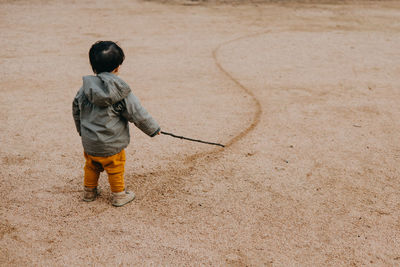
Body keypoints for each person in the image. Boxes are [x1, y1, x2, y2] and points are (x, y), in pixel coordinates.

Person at [72, 41, 160, 207]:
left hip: (90, 142)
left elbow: (76, 112)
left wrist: (82, 132)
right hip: (112, 143)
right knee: (115, 167)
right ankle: (119, 195)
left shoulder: (84, 90)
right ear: (118, 67)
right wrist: (153, 129)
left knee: (91, 166)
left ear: (93, 66)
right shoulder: (121, 92)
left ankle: (89, 192)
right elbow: (137, 113)